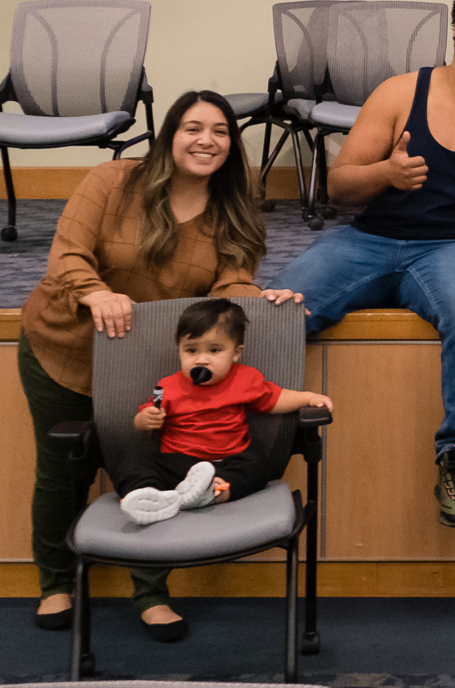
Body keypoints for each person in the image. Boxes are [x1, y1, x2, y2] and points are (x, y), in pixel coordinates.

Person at [272, 0, 455, 530]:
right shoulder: (399, 93)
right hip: (369, 240)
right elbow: (339, 187)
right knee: (273, 307)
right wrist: (386, 173)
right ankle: (230, 427)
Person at [19, 90, 298, 638]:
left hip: (147, 367)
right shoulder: (112, 180)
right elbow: (67, 253)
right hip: (66, 346)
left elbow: (231, 284)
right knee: (62, 472)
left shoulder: (233, 210)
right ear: (170, 135)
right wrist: (96, 292)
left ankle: (150, 593)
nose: (206, 141)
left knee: (155, 473)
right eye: (193, 128)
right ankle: (56, 584)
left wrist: (263, 301)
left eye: (220, 131)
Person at [117, 299, 334, 526]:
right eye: (191, 350)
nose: (201, 359)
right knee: (133, 463)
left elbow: (273, 399)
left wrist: (307, 398)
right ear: (179, 350)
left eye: (214, 350)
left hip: (227, 462)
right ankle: (148, 499)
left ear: (235, 353)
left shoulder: (244, 378)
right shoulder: (167, 386)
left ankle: (213, 493)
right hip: (178, 462)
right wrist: (144, 421)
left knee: (259, 463)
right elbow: (146, 422)